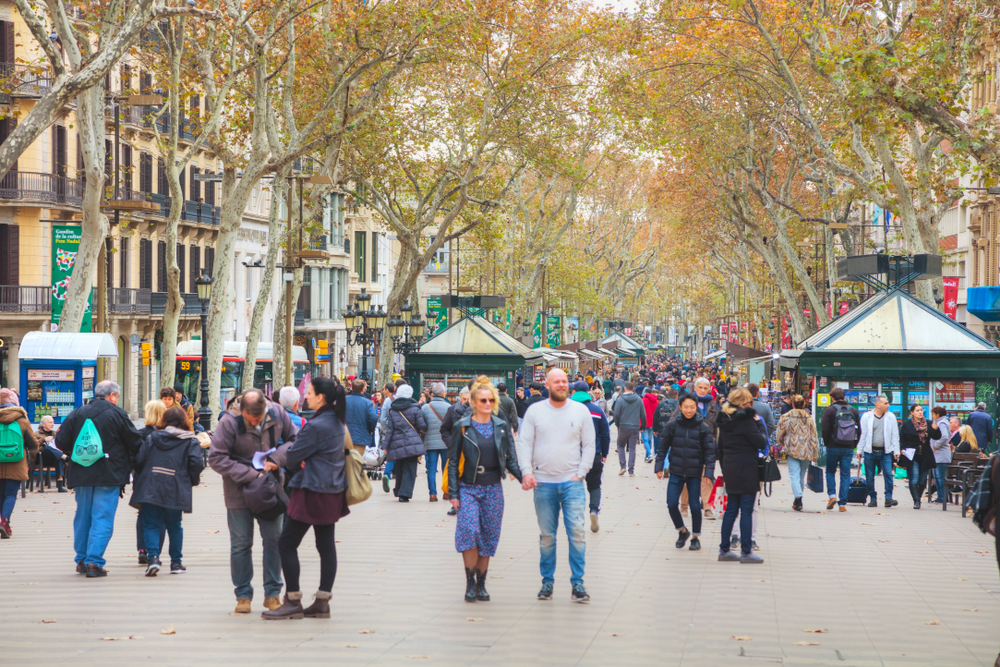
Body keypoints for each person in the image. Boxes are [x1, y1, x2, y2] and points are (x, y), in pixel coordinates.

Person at [261, 377, 350, 620]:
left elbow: (291, 458)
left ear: (320, 397)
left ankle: (292, 600)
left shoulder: (317, 424)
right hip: (332, 489)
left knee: (286, 543)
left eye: (309, 392)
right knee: (325, 544)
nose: (306, 396)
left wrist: (301, 458)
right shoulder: (337, 421)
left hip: (312, 490)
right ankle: (322, 601)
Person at [208, 388, 298, 614]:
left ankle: (273, 593)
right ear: (243, 411)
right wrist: (250, 474)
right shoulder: (229, 422)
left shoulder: (277, 412)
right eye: (251, 419)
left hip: (270, 489)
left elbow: (296, 439)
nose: (256, 422)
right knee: (240, 544)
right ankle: (243, 595)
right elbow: (216, 458)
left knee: (274, 540)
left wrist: (276, 458)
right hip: (238, 491)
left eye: (259, 418)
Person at [518, 368, 595, 603]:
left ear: (568, 385)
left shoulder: (580, 411)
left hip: (572, 483)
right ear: (548, 385)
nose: (561, 385)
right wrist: (526, 472)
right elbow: (524, 444)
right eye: (556, 382)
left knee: (578, 533)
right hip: (543, 483)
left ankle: (578, 583)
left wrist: (580, 473)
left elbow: (590, 445)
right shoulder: (535, 411)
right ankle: (547, 582)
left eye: (564, 381)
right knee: (547, 536)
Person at [55, 381, 143, 577]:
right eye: (117, 396)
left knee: (83, 516)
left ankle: (82, 560)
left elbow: (60, 441)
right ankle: (95, 562)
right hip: (109, 474)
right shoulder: (118, 414)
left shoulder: (78, 413)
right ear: (112, 395)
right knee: (102, 517)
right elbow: (135, 442)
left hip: (82, 474)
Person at [448, 376, 523, 603]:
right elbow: (452, 462)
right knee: (469, 532)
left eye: (491, 400)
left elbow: (509, 458)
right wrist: (453, 494)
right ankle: (470, 582)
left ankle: (482, 583)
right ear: (472, 402)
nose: (488, 404)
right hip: (468, 487)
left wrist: (524, 478)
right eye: (483, 400)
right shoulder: (462, 427)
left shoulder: (501, 426)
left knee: (489, 536)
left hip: (493, 488)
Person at [129, 406, 204, 576]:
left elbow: (140, 460)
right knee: (174, 525)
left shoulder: (153, 438)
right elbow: (196, 464)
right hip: (176, 486)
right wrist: (190, 480)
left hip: (151, 485)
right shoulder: (190, 441)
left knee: (151, 524)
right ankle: (176, 563)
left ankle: (153, 558)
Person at [655, 394, 715, 552]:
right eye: (686, 407)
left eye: (692, 407)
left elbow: (710, 452)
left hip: (695, 473)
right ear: (680, 407)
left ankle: (695, 537)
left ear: (696, 408)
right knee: (671, 503)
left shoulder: (703, 427)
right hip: (676, 471)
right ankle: (682, 531)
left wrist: (708, 473)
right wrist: (659, 466)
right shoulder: (672, 425)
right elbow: (662, 447)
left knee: (695, 506)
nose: (689, 410)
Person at [715, 388, 767, 564]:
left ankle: (724, 549)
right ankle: (746, 551)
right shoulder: (746, 420)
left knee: (731, 509)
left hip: (730, 466)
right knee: (746, 509)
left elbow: (720, 448)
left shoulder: (724, 420)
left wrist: (724, 468)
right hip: (746, 467)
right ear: (744, 404)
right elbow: (761, 442)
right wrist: (759, 423)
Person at [674, 378, 721, 519]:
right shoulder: (686, 403)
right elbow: (673, 421)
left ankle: (707, 508)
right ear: (694, 388)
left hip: (706, 448)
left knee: (706, 479)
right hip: (687, 447)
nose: (702, 390)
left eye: (705, 388)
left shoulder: (713, 405)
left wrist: (714, 444)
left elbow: (717, 428)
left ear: (708, 389)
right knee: (685, 479)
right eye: (699, 387)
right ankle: (684, 507)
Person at [570, 381, 609, 533]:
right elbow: (605, 434)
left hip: (572, 456)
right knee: (594, 486)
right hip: (594, 454)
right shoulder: (597, 410)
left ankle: (577, 519)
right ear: (588, 392)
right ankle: (593, 510)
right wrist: (604, 454)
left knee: (574, 487)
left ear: (574, 392)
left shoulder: (568, 410)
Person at [0, 389, 40, 539]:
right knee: (11, 494)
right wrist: (32, 456)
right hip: (16, 462)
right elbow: (33, 444)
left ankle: (4, 522)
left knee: (1, 494)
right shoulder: (22, 420)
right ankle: (5, 522)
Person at [382, 384, 427, 503]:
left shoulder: (394, 409)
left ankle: (399, 490)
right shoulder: (415, 408)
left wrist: (385, 446)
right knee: (410, 468)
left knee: (400, 466)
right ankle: (405, 493)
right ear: (410, 395)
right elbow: (421, 425)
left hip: (397, 442)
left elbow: (390, 429)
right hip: (412, 441)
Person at [135, 399, 167, 564]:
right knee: (160, 518)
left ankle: (142, 548)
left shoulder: (140, 435)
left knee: (143, 516)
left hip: (143, 481)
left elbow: (136, 460)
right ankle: (155, 552)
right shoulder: (170, 436)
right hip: (164, 481)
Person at [775, 394, 819, 512]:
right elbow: (814, 436)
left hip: (791, 449)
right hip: (806, 451)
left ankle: (798, 498)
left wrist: (782, 443)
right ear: (804, 405)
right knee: (801, 475)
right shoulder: (809, 418)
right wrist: (815, 453)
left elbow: (779, 434)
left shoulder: (786, 417)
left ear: (792, 404)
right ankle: (798, 498)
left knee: (794, 475)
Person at [820, 387, 861, 512]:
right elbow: (859, 430)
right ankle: (842, 503)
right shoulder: (853, 411)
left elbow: (825, 429)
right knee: (845, 474)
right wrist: (853, 444)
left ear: (832, 398)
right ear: (844, 397)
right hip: (848, 447)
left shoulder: (830, 410)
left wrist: (827, 443)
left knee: (830, 471)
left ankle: (832, 496)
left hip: (833, 446)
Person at [856, 395, 900, 508]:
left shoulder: (891, 417)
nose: (888, 405)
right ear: (878, 405)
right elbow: (863, 434)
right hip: (870, 451)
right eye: (886, 403)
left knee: (888, 474)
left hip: (886, 452)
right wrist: (859, 449)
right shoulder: (867, 416)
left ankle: (888, 498)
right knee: (870, 476)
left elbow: (895, 435)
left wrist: (896, 450)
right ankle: (873, 498)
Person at [899, 404, 940, 509]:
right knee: (914, 477)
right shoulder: (907, 424)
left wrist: (936, 429)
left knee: (922, 479)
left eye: (921, 410)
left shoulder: (929, 423)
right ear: (912, 412)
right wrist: (902, 449)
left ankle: (919, 497)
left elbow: (937, 436)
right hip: (912, 453)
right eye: (917, 410)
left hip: (926, 453)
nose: (920, 412)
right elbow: (901, 438)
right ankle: (916, 500)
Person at [421, 383, 451, 502]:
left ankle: (432, 494)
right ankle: (446, 492)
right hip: (445, 442)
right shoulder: (449, 407)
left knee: (431, 468)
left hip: (430, 442)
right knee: (446, 468)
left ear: (431, 393)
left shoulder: (425, 408)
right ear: (444, 394)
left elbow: (422, 426)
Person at [612, 382, 645, 477]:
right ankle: (631, 470)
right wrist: (643, 426)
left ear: (625, 389)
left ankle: (623, 466)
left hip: (623, 426)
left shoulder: (620, 399)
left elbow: (616, 414)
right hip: (634, 427)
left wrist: (618, 424)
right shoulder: (639, 400)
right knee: (632, 448)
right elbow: (643, 414)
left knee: (621, 445)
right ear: (633, 389)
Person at [345, 379, 377, 457]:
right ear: (363, 389)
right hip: (360, 438)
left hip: (345, 437)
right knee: (357, 461)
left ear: (352, 388)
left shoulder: (344, 400)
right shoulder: (367, 403)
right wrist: (370, 429)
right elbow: (373, 418)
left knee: (346, 458)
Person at [36, 414, 67, 493]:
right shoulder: (36, 434)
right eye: (50, 422)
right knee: (47, 448)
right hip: (41, 458)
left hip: (54, 457)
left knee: (58, 457)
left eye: (53, 422)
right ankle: (65, 457)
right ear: (43, 424)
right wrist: (44, 439)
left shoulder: (55, 434)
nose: (52, 424)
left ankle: (60, 485)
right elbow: (33, 446)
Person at [929, 406, 952, 504]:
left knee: (940, 477)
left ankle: (943, 498)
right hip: (937, 455)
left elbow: (945, 436)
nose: (933, 416)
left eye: (933, 414)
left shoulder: (941, 422)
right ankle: (940, 497)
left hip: (941, 454)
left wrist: (935, 446)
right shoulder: (941, 422)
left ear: (937, 415)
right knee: (937, 477)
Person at [641, 388, 660, 463]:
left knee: (645, 440)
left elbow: (641, 413)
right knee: (649, 440)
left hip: (644, 423)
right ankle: (646, 457)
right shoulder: (656, 402)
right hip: (653, 423)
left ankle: (649, 454)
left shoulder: (643, 401)